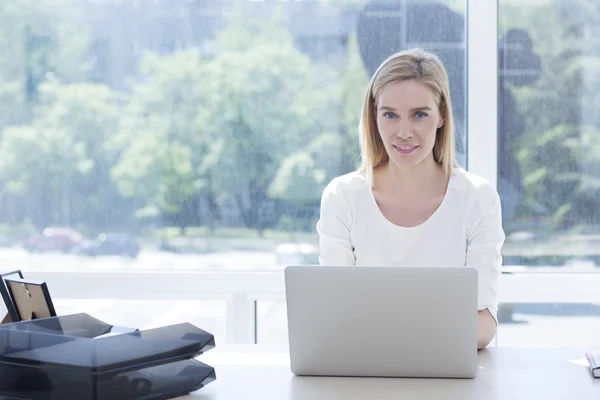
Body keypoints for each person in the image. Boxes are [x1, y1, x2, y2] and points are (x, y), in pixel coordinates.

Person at [316, 48, 505, 350]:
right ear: (374, 117)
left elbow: (483, 323)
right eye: (390, 115)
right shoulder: (343, 197)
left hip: (448, 380)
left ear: (441, 115)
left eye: (419, 114)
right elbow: (335, 313)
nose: (404, 132)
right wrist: (432, 330)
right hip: (365, 374)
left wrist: (391, 334)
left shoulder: (476, 198)